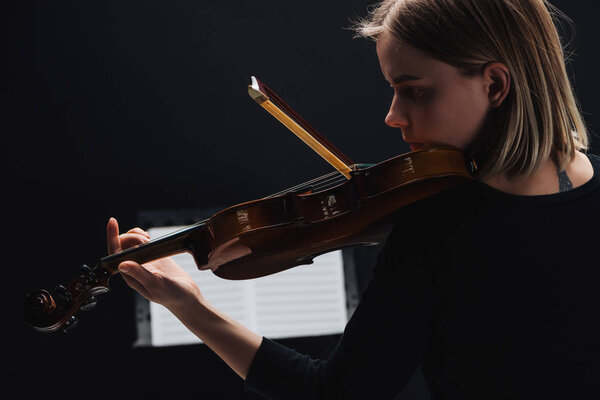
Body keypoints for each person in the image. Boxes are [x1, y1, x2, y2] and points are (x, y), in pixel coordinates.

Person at [107, 0, 599, 398]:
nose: (393, 115)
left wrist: (187, 304)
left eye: (414, 91)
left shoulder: (436, 229)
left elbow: (334, 393)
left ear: (494, 84)